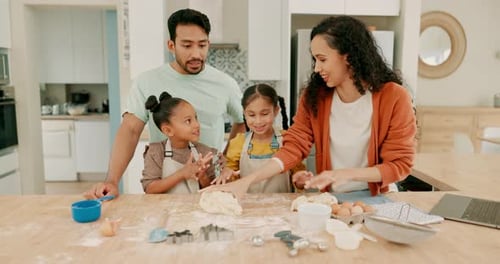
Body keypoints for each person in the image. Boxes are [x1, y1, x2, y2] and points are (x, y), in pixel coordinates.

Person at [204, 15, 416, 198]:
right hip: (332, 199)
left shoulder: (394, 97)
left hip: (378, 198)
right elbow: (294, 146)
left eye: (322, 59)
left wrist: (345, 174)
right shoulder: (316, 96)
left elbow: (400, 165)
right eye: (315, 59)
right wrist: (246, 181)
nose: (317, 68)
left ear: (348, 56)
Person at [84, 8, 245, 199]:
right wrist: (111, 181)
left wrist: (225, 158)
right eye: (187, 46)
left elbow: (241, 121)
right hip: (164, 188)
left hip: (209, 187)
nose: (196, 53)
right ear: (171, 45)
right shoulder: (147, 82)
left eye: (202, 45)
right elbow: (130, 130)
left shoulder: (225, 83)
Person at [212, 84, 305, 193]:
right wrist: (227, 175)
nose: (258, 121)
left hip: (281, 207)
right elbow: (231, 179)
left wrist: (300, 180)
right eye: (251, 115)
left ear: (276, 111)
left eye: (264, 114)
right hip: (248, 207)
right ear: (244, 114)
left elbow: (298, 177)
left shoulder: (287, 139)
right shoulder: (238, 142)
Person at [141, 92, 217, 194]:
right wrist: (182, 174)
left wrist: (202, 177)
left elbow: (213, 190)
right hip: (164, 209)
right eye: (188, 121)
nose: (197, 125)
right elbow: (150, 189)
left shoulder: (204, 152)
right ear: (168, 130)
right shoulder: (156, 152)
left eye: (196, 118)